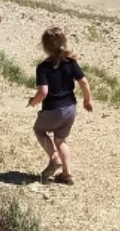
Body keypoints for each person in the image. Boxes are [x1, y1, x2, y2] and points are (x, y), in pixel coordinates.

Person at [26, 26, 92, 185]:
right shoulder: (71, 62)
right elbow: (84, 82)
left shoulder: (43, 67)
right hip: (70, 108)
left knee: (39, 130)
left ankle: (54, 158)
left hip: (53, 109)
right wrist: (87, 100)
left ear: (44, 46)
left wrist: (32, 102)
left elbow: (43, 92)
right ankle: (67, 174)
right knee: (61, 139)